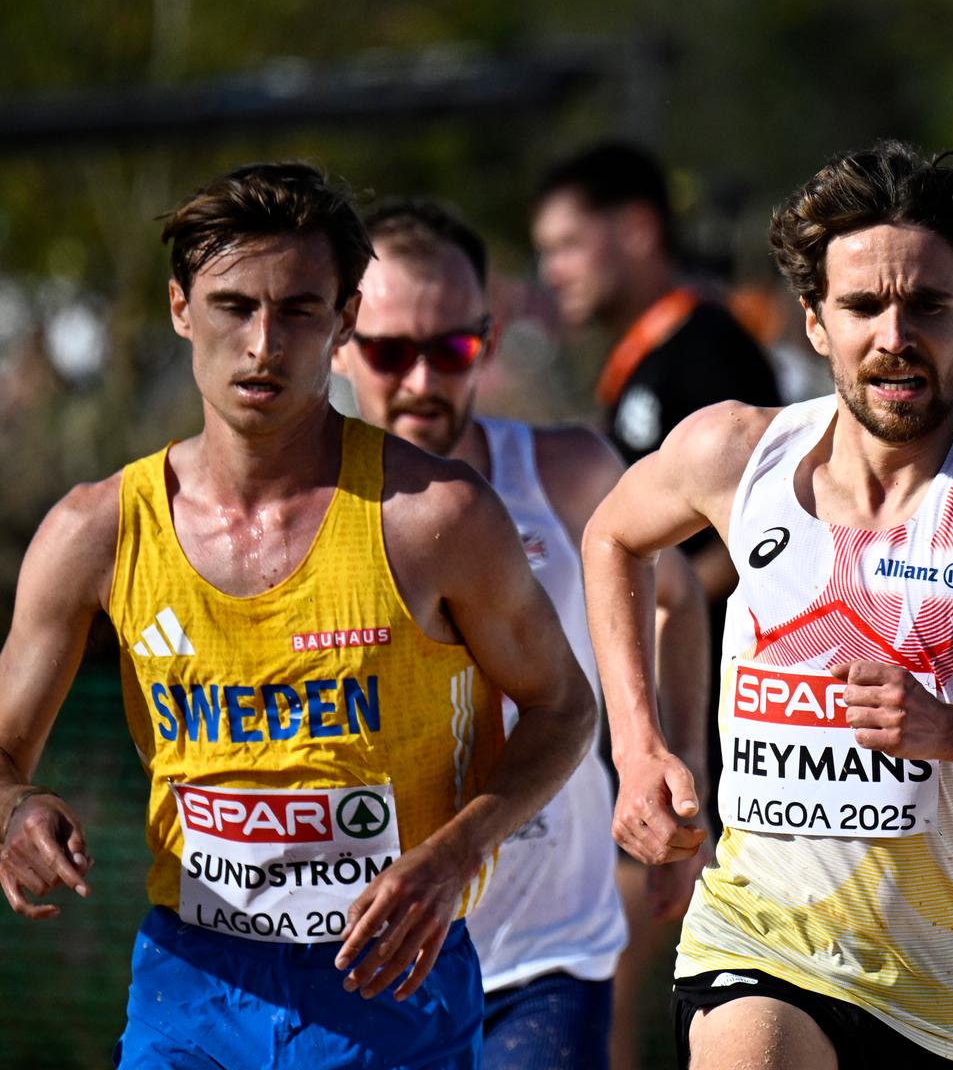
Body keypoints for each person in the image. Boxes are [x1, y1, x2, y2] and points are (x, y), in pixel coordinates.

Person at [581, 141, 953, 1069]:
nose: (894, 337)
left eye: (928, 307)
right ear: (816, 322)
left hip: (949, 998)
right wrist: (638, 746)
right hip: (756, 943)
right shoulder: (733, 456)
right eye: (863, 306)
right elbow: (613, 538)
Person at [0, 163, 597, 1068]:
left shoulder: (436, 518)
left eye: (301, 310)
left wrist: (452, 856)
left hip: (391, 978)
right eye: (234, 306)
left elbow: (564, 708)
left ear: (345, 320)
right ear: (178, 308)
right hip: (188, 986)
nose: (264, 345)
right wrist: (16, 807)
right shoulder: (97, 531)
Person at [334, 196, 712, 1067]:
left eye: (452, 348)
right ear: (343, 344)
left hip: (545, 949)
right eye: (393, 352)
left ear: (489, 341)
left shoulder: (567, 472)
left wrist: (675, 771)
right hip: (366, 954)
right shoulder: (303, 511)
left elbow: (678, 600)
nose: (424, 381)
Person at [531, 140, 783, 1063]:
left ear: (636, 230)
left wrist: (656, 593)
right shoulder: (642, 365)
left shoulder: (708, 350)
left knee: (631, 977)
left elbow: (757, 546)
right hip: (664, 730)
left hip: (716, 728)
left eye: (565, 244)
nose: (551, 271)